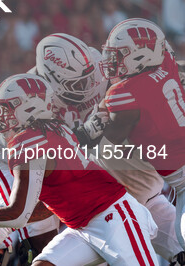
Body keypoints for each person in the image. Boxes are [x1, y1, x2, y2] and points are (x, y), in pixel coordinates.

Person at [0, 73, 159, 265]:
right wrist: (5, 227)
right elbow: (45, 207)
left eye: (8, 108)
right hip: (81, 226)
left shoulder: (29, 142)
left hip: (114, 217)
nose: (2, 115)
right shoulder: (52, 130)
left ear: (31, 108)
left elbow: (19, 211)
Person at [34, 32, 184, 262]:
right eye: (76, 83)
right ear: (51, 79)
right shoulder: (34, 101)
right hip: (96, 208)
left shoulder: (98, 64)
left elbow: (140, 87)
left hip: (135, 189)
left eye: (88, 78)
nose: (85, 88)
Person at [96, 18, 185, 252]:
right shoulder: (167, 63)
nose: (112, 61)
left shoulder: (125, 94)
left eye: (119, 55)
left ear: (141, 56)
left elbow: (107, 147)